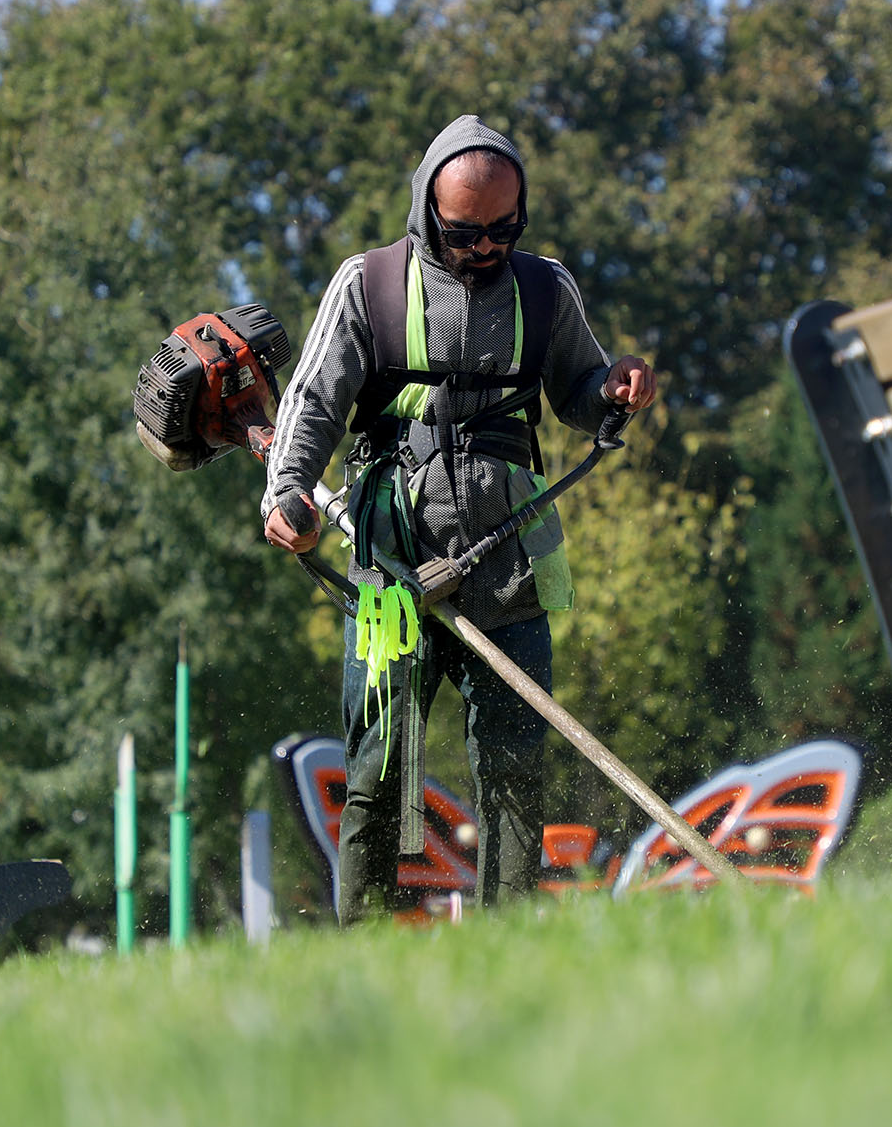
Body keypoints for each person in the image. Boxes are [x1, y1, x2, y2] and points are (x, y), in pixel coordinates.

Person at [262, 115, 656, 923]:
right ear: (426, 209)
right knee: (379, 762)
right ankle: (366, 934)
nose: (484, 247)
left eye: (503, 230)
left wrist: (612, 391)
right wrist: (288, 496)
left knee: (513, 762)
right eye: (465, 231)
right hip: (392, 569)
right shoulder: (366, 285)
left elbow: (581, 390)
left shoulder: (545, 289)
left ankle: (506, 938)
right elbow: (309, 407)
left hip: (509, 559)